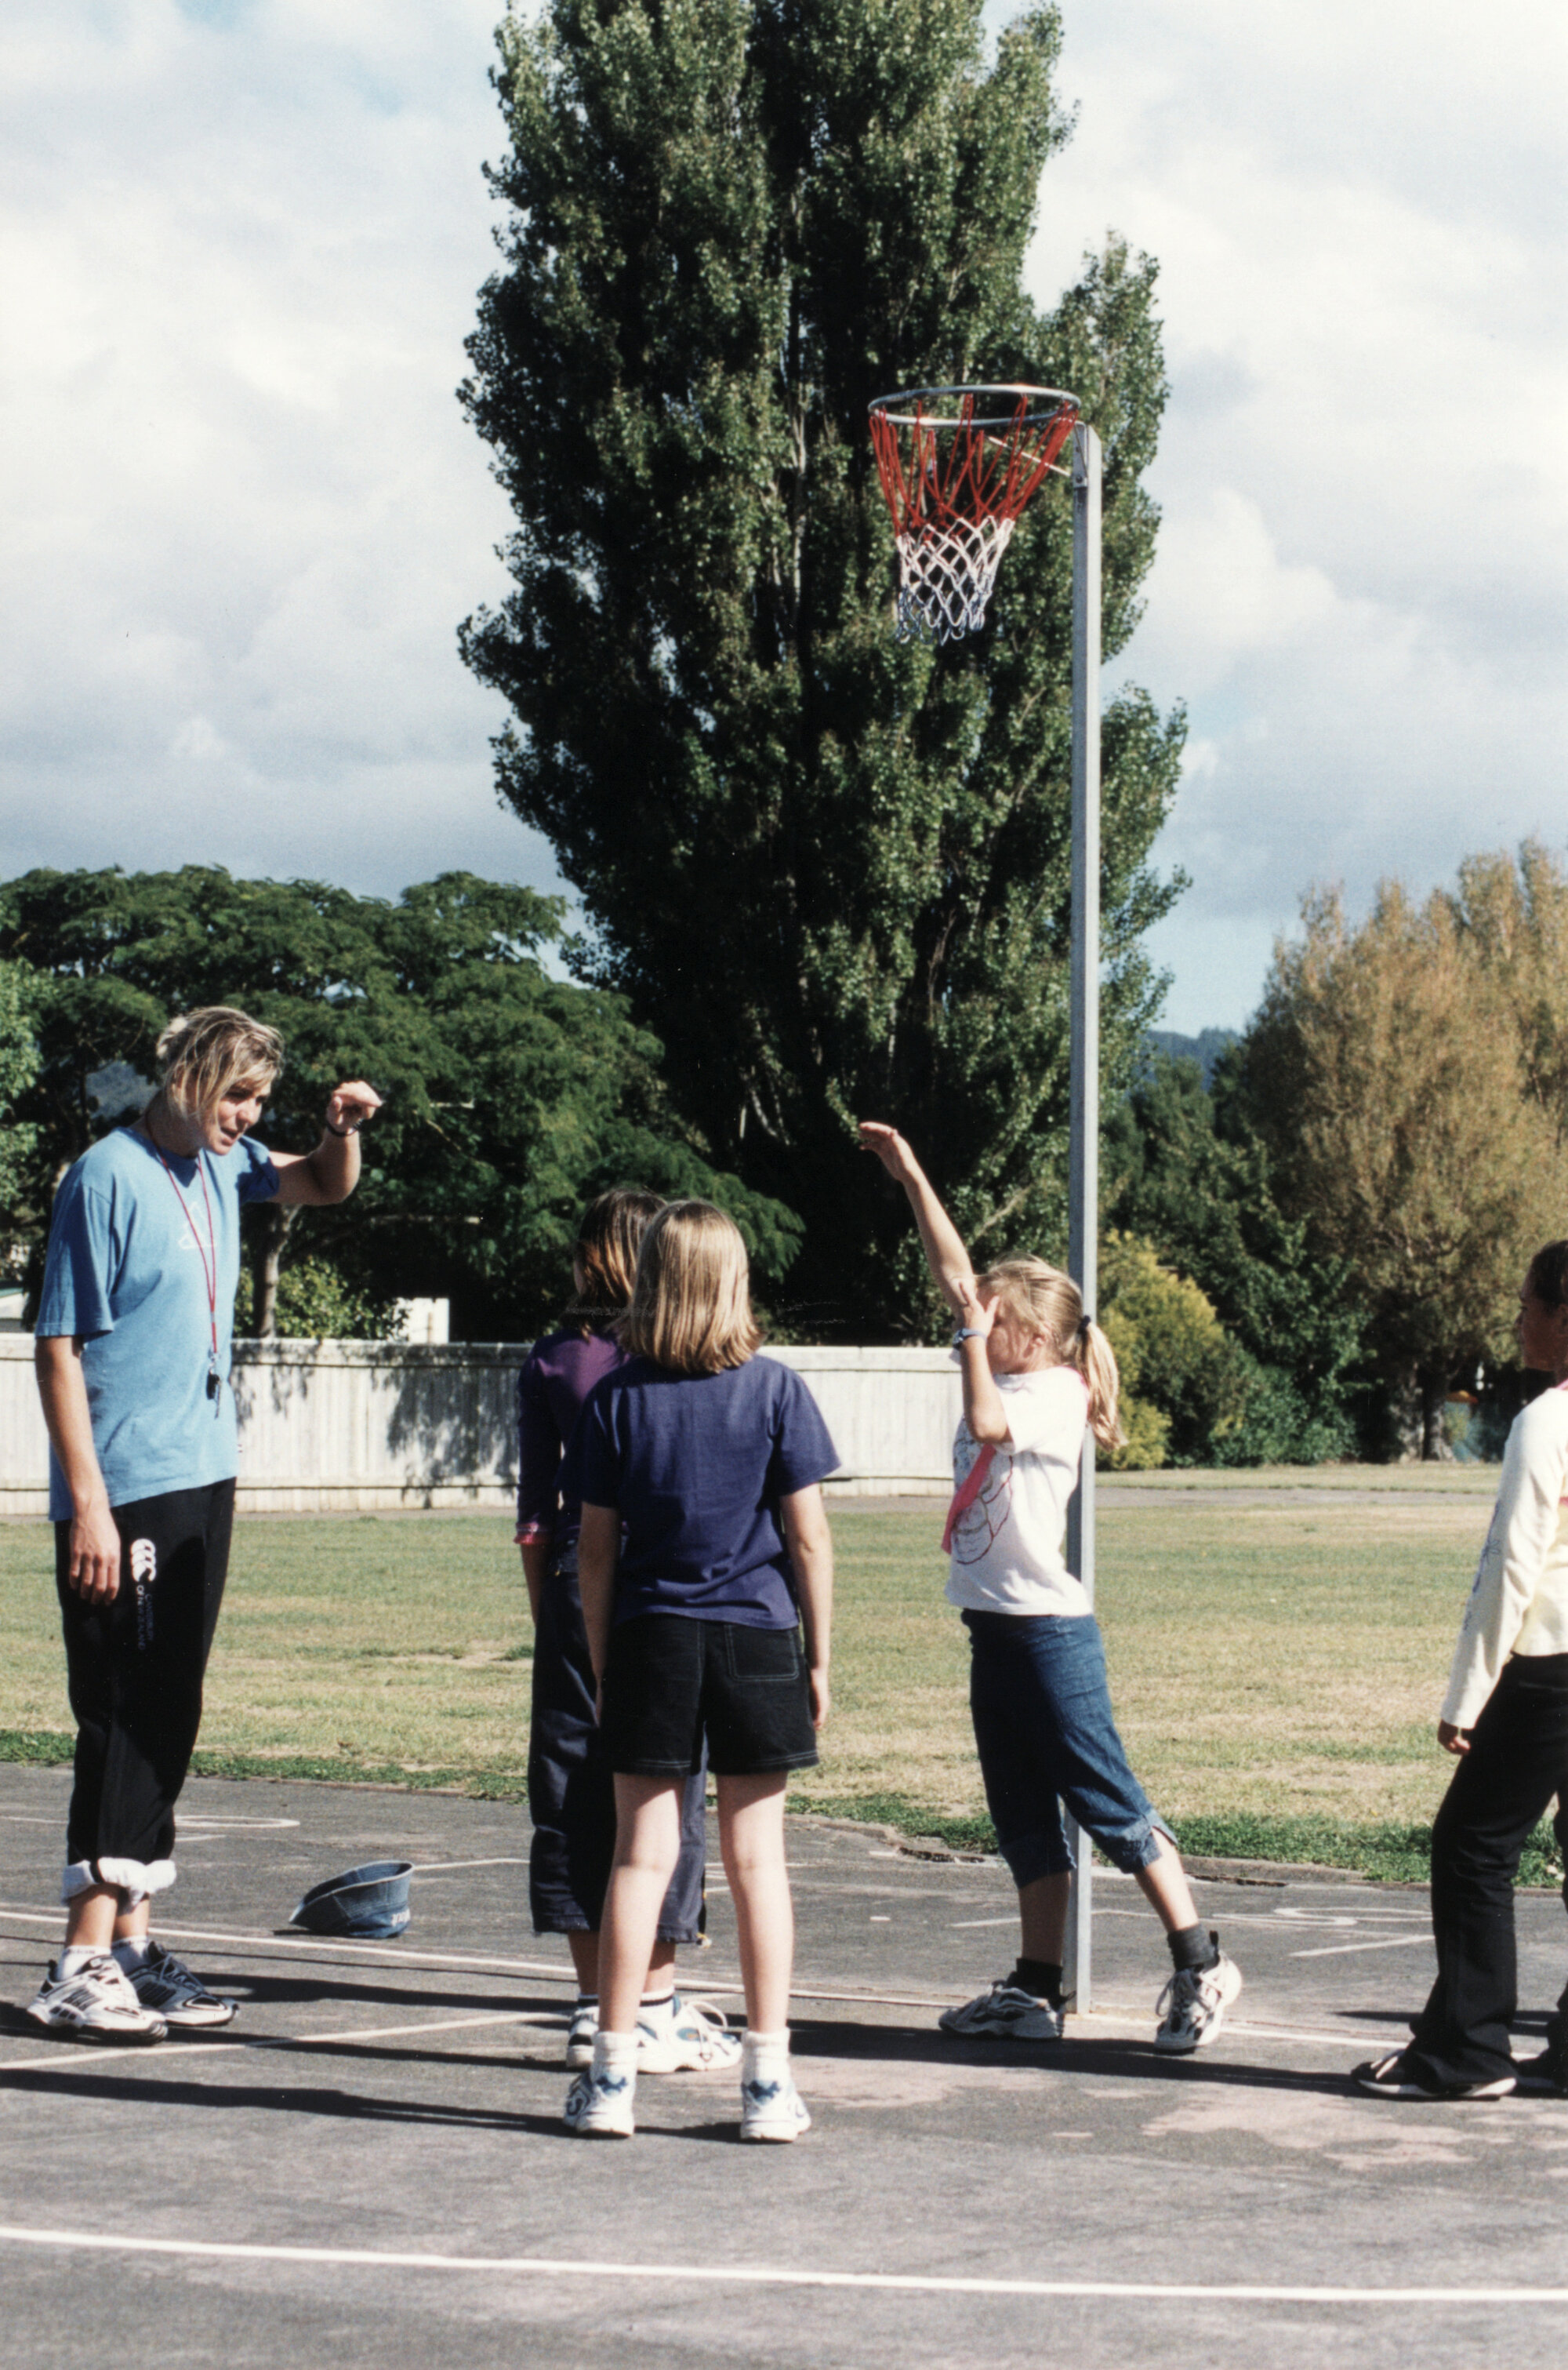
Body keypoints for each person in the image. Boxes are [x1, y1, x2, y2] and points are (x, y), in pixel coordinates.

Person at [27, 1006, 380, 2041]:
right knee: (126, 1709)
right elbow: (57, 1348)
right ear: (185, 1078)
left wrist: (341, 1126)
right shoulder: (106, 1176)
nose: (247, 1116)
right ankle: (81, 1958)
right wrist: (88, 1502)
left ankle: (131, 1944)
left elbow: (323, 1181)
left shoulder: (226, 1166)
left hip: (204, 1471)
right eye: (235, 1095)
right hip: (125, 1481)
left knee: (170, 1702)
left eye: (260, 1099)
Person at [858, 1121, 1242, 2055]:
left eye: (993, 1320)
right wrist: (911, 1173)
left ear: (1027, 1333)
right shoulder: (1006, 1351)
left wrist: (964, 1337)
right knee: (1023, 1819)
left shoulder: (1053, 1392)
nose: (977, 1322)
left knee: (1106, 1804)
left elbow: (985, 1421)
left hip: (1049, 1634)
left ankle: (1201, 1962)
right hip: (994, 1630)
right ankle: (1034, 1990)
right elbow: (958, 1278)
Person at [559, 1200, 837, 2140]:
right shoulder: (774, 1389)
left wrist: (602, 1659)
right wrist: (820, 1654)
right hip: (756, 1634)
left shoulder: (614, 1399)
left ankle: (609, 2078)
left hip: (649, 1636)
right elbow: (808, 1537)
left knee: (640, 1857)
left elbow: (593, 1553)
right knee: (756, 1862)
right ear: (733, 1281)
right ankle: (766, 2081)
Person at [517, 1187, 735, 2075]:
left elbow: (535, 1511)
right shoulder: (672, 1361)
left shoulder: (553, 1358)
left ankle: (586, 1999)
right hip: (660, 1581)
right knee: (663, 1787)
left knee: (570, 1780)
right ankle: (654, 1996)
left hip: (574, 1574)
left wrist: (553, 1612)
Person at [1356, 1242, 1568, 2103]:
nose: (1515, 1315)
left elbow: (1509, 1567)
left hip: (1551, 1662)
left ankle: (1469, 2048)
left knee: (1471, 1846)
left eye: (1526, 1302)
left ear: (1562, 1318)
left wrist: (1465, 1694)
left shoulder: (1545, 1423)